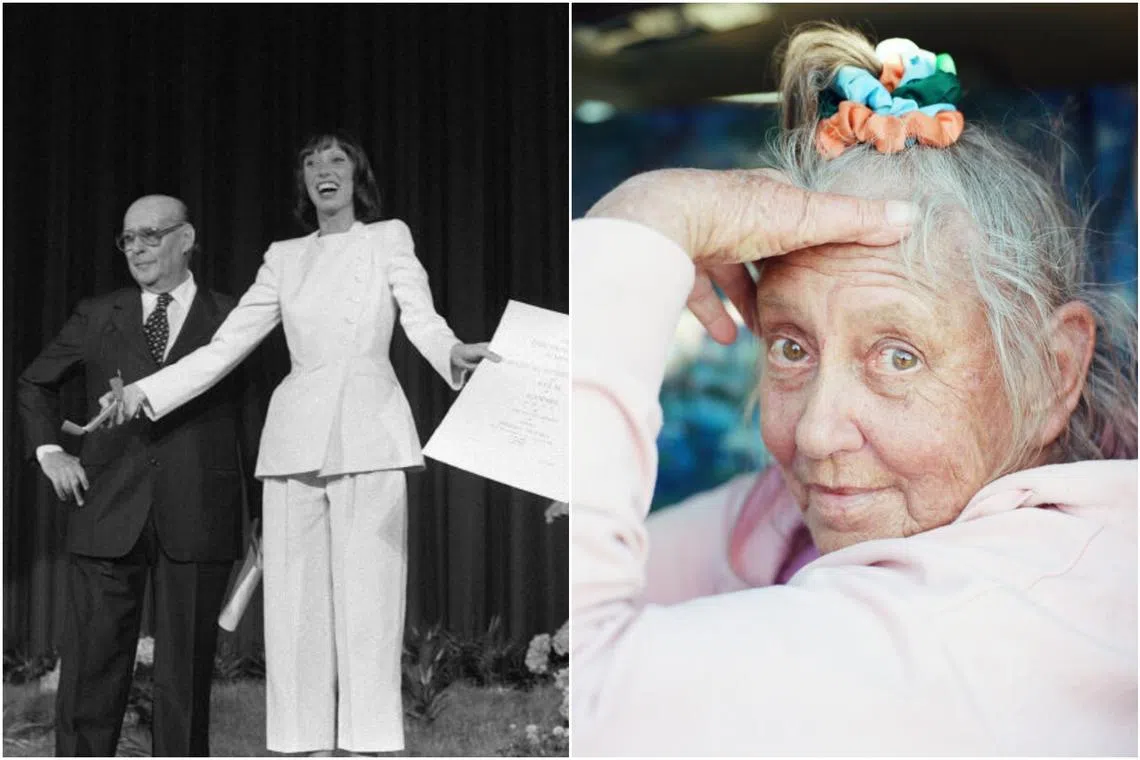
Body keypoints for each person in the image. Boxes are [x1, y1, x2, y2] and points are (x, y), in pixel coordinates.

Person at [571, 24, 1137, 756]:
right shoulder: (799, 511)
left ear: (1054, 371)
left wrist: (638, 225)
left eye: (897, 357)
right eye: (790, 347)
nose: (815, 432)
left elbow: (567, 704)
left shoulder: (988, 620)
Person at [108, 131, 498, 755]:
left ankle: (369, 744)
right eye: (312, 163)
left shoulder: (387, 237)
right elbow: (225, 347)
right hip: (293, 437)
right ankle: (301, 744)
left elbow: (419, 314)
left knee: (370, 598)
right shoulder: (284, 257)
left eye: (336, 160)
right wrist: (141, 393)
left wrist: (451, 351)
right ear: (304, 184)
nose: (324, 170)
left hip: (371, 429)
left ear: (355, 176)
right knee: (292, 605)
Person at [17, 195, 263, 756]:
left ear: (186, 237)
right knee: (90, 676)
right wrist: (50, 451)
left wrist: (262, 511)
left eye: (151, 235)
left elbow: (255, 416)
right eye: (128, 239)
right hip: (108, 507)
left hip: (202, 510)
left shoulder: (233, 317)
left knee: (187, 680)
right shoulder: (100, 313)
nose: (137, 248)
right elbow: (35, 384)